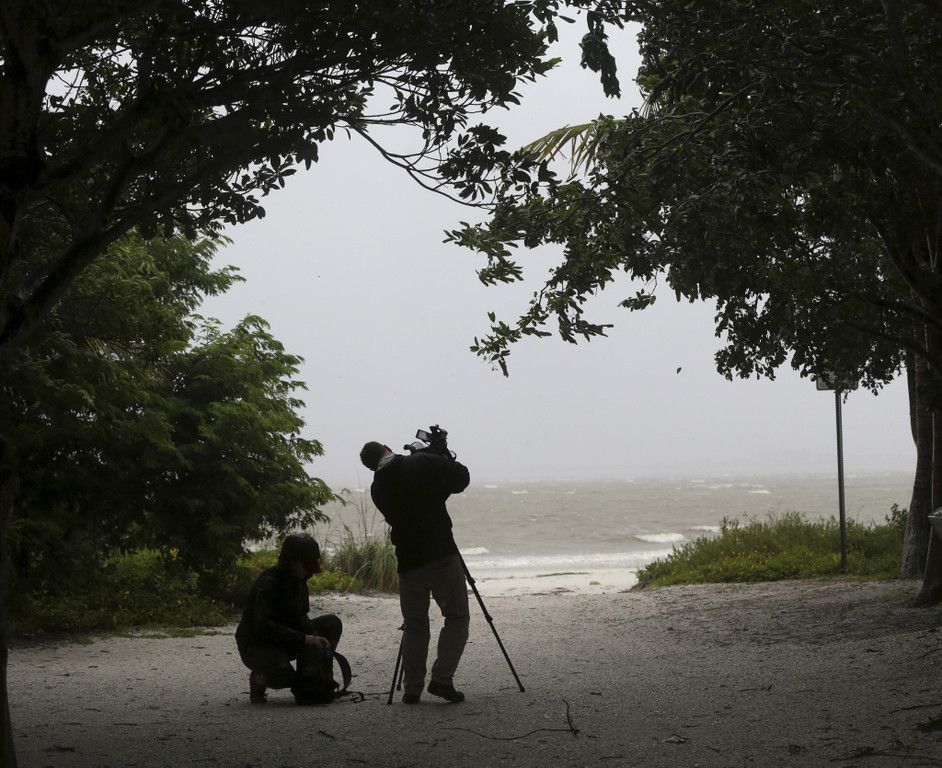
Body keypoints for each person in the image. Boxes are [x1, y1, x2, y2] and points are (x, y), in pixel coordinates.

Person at [360, 439, 471, 704]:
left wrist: (429, 457)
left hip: (408, 562)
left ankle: (412, 688)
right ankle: (441, 679)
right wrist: (439, 455)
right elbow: (461, 479)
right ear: (388, 447)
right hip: (441, 554)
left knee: (415, 625)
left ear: (372, 466)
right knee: (457, 617)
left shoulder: (377, 488)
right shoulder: (422, 461)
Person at [235, 532, 343, 704]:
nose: (309, 572)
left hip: (287, 638)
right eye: (306, 565)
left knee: (332, 623)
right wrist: (305, 638)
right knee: (284, 676)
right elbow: (263, 626)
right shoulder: (268, 582)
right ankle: (259, 678)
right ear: (292, 561)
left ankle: (319, 675)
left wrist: (316, 639)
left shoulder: (300, 580)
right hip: (257, 644)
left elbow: (301, 615)